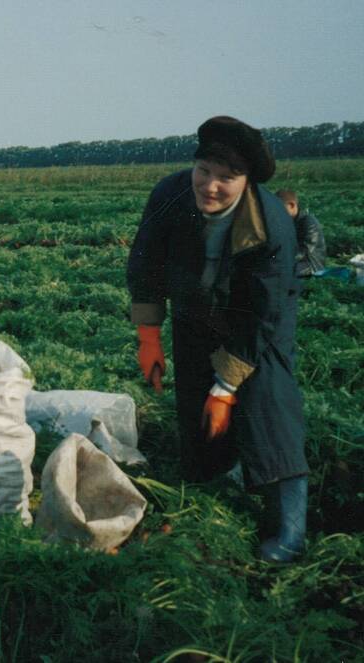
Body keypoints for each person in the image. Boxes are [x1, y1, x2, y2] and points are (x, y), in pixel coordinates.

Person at [127, 116, 309, 563]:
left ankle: (289, 524)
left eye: (226, 178)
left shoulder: (270, 226)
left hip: (256, 322)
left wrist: (227, 388)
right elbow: (146, 263)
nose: (210, 186)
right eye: (204, 170)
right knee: (196, 408)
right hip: (195, 311)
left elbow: (262, 313)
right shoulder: (170, 195)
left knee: (267, 398)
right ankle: (217, 476)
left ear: (245, 182)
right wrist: (148, 335)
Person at [278, 189, 326, 278]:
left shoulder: (308, 221)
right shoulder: (287, 221)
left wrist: (281, 258)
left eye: (280, 208)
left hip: (310, 265)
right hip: (295, 261)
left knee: (279, 272)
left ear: (292, 205)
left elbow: (305, 251)